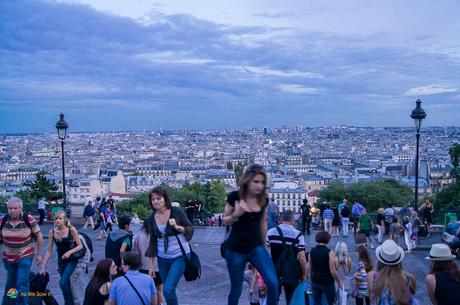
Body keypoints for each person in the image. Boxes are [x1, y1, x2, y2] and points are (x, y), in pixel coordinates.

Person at [221, 164, 279, 305]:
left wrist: (265, 245)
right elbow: (224, 221)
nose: (259, 186)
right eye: (256, 181)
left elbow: (263, 223)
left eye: (262, 182)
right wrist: (236, 214)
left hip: (255, 247)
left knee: (273, 282)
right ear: (247, 180)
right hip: (236, 248)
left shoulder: (263, 200)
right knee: (236, 288)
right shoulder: (235, 197)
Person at [145, 187, 194, 305]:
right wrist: (150, 266)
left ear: (165, 198)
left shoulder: (176, 211)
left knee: (168, 289)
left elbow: (190, 228)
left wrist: (178, 227)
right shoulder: (152, 218)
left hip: (180, 255)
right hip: (163, 258)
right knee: (168, 290)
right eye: (153, 199)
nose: (155, 201)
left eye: (158, 198)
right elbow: (152, 241)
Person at [1, 197, 44, 305]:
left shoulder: (28, 219)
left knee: (21, 283)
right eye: (10, 208)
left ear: (21, 209)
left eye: (15, 208)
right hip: (8, 258)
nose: (13, 211)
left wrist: (39, 255)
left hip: (25, 256)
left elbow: (39, 237)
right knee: (11, 284)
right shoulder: (3, 220)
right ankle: (10, 302)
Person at [40, 210, 84, 305]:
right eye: (56, 218)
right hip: (61, 261)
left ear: (65, 220)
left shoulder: (71, 229)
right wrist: (43, 266)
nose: (58, 221)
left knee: (62, 282)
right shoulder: (52, 232)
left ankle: (69, 303)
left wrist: (69, 252)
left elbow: (80, 246)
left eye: (60, 218)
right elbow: (48, 251)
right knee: (66, 284)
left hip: (72, 259)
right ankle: (69, 302)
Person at [266, 210, 307, 305]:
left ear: (281, 219)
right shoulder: (298, 234)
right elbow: (302, 258)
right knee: (291, 300)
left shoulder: (271, 232)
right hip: (292, 272)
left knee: (273, 300)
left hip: (275, 270)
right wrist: (304, 274)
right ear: (293, 220)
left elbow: (264, 251)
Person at [369, 239, 416, 305]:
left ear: (380, 260)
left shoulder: (371, 277)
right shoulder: (410, 278)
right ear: (399, 261)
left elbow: (371, 298)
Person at [308, 231, 343, 305]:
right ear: (327, 240)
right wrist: (339, 282)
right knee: (331, 302)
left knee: (317, 302)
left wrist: (311, 279)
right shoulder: (329, 252)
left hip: (315, 280)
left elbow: (309, 267)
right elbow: (333, 271)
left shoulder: (312, 251)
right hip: (327, 282)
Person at [134, 219, 164, 305]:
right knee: (158, 290)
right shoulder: (158, 237)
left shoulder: (138, 237)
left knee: (146, 290)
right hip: (157, 267)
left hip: (143, 267)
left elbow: (136, 252)